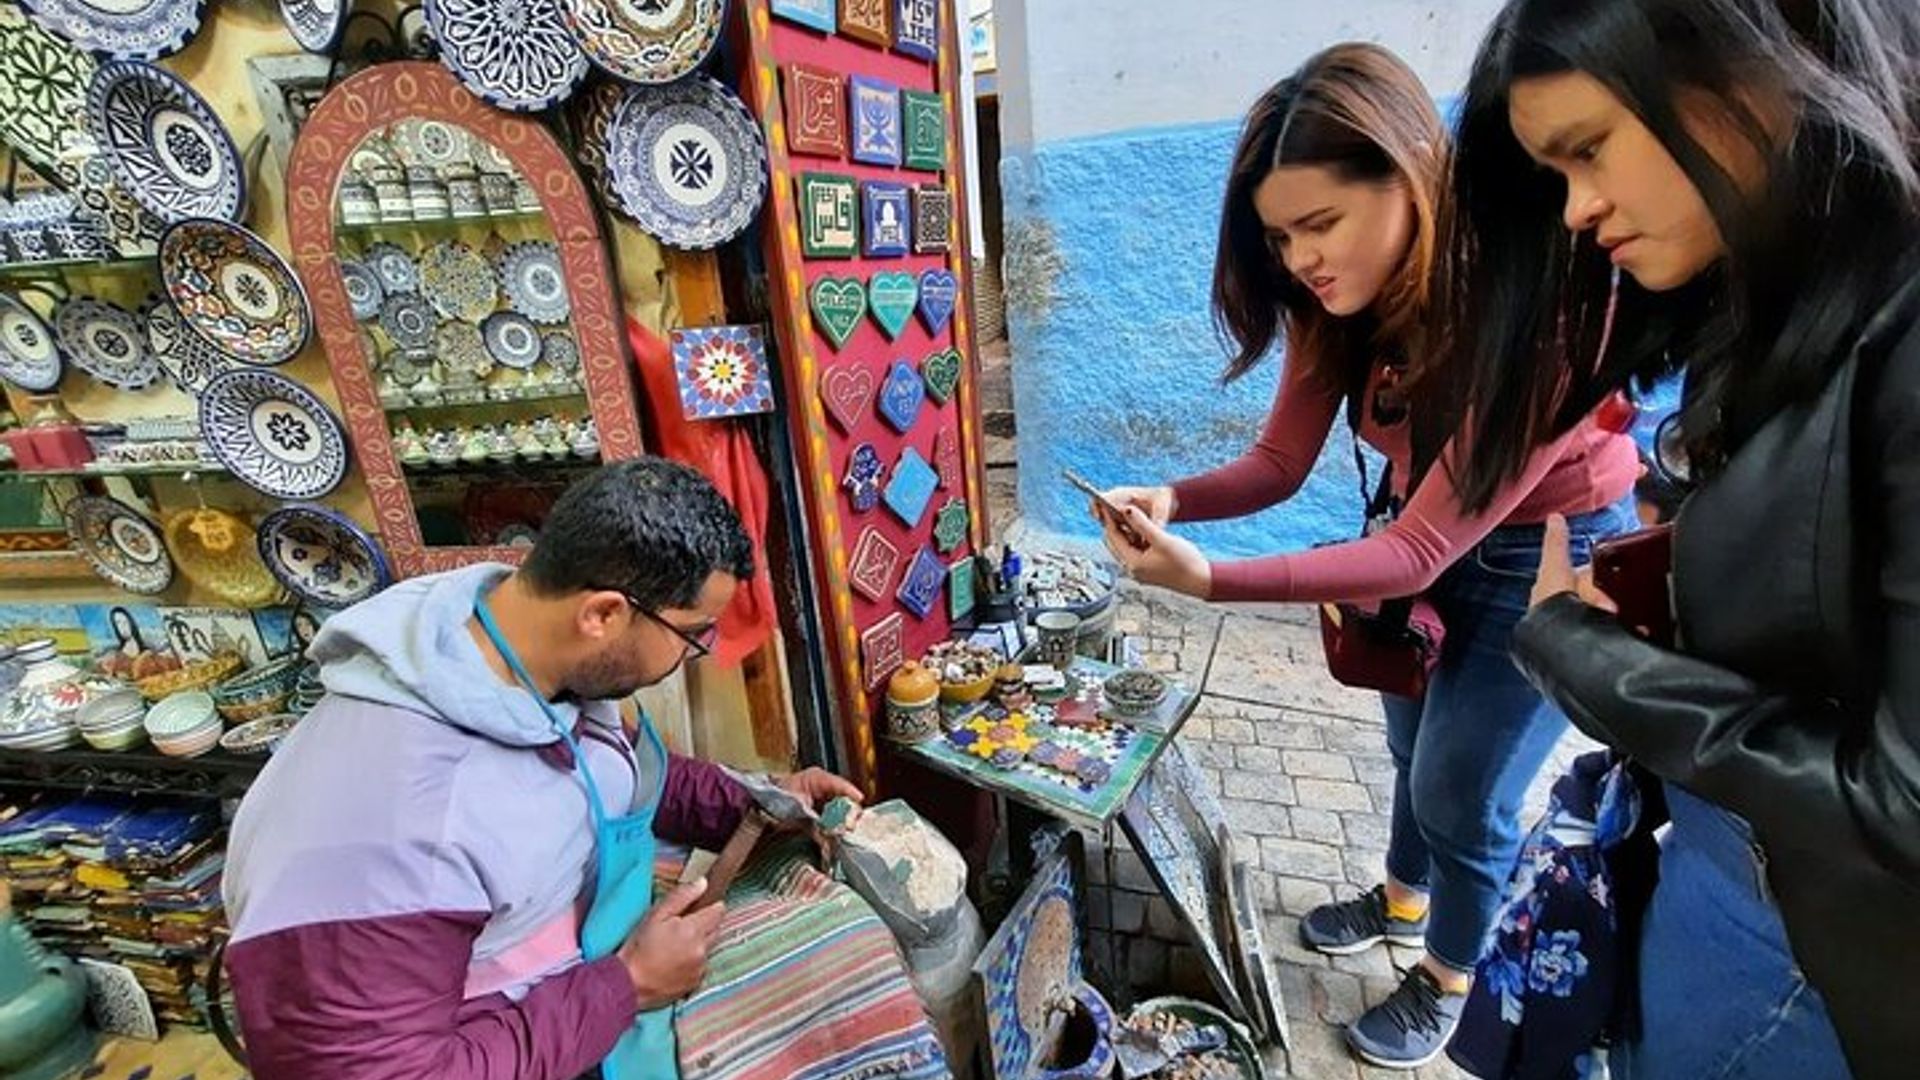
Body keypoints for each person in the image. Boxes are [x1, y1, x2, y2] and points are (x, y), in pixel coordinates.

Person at [1094, 43, 1639, 1069]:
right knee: (1405, 747)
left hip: (1552, 556)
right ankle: (1401, 899)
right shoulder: (1335, 302)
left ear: (1411, 174)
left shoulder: (1529, 303)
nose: (1300, 257)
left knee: (1462, 792)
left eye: (1322, 223)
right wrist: (1176, 499)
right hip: (1416, 542)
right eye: (1280, 236)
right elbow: (1279, 462)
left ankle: (1448, 977)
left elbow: (1419, 546)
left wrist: (1208, 582)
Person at [1441, 0, 1920, 1075]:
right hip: (1740, 880)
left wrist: (1583, 653)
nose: (1576, 209)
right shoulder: (1772, 293)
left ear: (1756, 66)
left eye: (1589, 150)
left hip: (1814, 951)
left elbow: (1908, 800)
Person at [222, 459, 898, 1079]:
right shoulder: (397, 832)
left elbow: (618, 774)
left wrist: (760, 801)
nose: (701, 653)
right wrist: (623, 987)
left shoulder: (515, 642)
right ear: (602, 613)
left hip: (567, 998)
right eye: (694, 634)